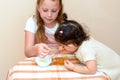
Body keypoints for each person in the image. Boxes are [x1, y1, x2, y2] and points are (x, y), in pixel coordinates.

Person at [54, 15, 120, 80]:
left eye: (63, 46)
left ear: (73, 44)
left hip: (116, 71)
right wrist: (65, 49)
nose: (60, 47)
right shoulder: (79, 42)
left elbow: (91, 70)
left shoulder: (86, 49)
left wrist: (74, 67)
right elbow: (73, 49)